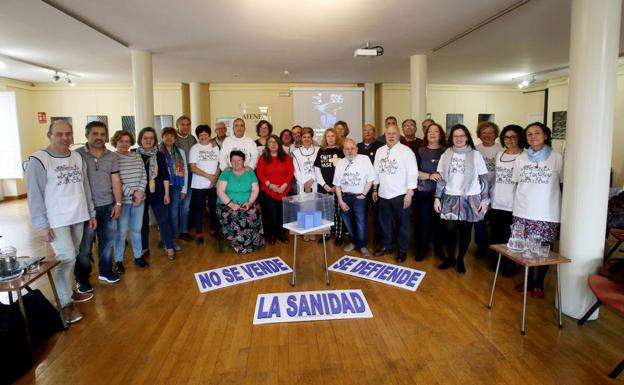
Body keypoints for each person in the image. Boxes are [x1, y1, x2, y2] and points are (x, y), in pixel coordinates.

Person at [26, 119, 96, 324]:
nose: (65, 138)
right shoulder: (39, 160)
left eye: (68, 134)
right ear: (50, 136)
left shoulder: (76, 157)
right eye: (59, 134)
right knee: (66, 259)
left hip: (79, 215)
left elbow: (85, 187)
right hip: (57, 219)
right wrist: (41, 225)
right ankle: (64, 303)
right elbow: (34, 195)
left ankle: (68, 292)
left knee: (73, 256)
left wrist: (91, 213)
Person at [512, 122, 563, 298]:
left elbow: (563, 184)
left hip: (546, 211)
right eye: (529, 134)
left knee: (543, 251)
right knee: (526, 249)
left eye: (537, 133)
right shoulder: (521, 158)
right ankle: (528, 280)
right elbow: (517, 182)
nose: (533, 137)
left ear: (546, 135)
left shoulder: (556, 157)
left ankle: (539, 281)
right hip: (523, 210)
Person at [434, 124, 489, 273]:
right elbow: (441, 178)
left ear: (467, 137)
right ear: (451, 138)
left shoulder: (475, 155)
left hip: (470, 197)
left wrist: (485, 200)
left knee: (465, 231)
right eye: (455, 136)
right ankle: (451, 258)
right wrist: (437, 197)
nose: (458, 139)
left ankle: (460, 259)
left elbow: (484, 178)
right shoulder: (446, 154)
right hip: (450, 197)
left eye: (462, 135)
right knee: (450, 230)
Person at [75, 121, 122, 293]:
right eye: (95, 134)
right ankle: (82, 279)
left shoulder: (112, 156)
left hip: (108, 205)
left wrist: (118, 203)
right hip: (85, 209)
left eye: (102, 134)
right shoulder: (76, 155)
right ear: (87, 135)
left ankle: (105, 271)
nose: (99, 137)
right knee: (85, 248)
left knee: (108, 242)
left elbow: (115, 180)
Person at [372, 124, 418, 262]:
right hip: (383, 194)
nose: (391, 136)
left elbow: (412, 173)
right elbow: (376, 172)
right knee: (385, 223)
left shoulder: (407, 151)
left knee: (402, 224)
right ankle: (387, 246)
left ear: (399, 135)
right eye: (388, 133)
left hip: (401, 195)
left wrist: (409, 194)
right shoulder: (380, 151)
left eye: (394, 133)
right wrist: (375, 189)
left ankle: (402, 250)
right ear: (385, 135)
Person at [136, 127, 177, 260]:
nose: (148, 140)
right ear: (140, 139)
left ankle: (169, 246)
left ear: (155, 140)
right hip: (140, 192)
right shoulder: (134, 154)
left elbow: (165, 176)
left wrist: (166, 194)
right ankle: (144, 247)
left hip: (158, 192)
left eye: (151, 138)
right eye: (145, 138)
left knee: (163, 220)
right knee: (143, 222)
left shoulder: (159, 155)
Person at [490, 124, 525, 277]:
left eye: (513, 137)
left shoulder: (524, 156)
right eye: (506, 137)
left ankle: (511, 264)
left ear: (519, 138)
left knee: (511, 236)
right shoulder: (499, 155)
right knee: (496, 234)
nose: (509, 140)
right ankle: (497, 261)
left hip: (514, 204)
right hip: (497, 201)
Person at [112, 130, 148, 274]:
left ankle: (138, 256)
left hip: (139, 200)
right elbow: (115, 181)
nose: (124, 144)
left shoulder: (137, 156)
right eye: (121, 141)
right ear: (116, 142)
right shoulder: (112, 158)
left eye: (127, 141)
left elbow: (143, 175)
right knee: (121, 232)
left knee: (136, 229)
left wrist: (139, 194)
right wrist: (133, 193)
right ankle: (119, 260)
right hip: (123, 201)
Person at [334, 138, 377, 257]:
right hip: (345, 196)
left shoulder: (365, 159)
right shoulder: (340, 163)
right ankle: (353, 242)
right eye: (347, 149)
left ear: (357, 149)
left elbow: (371, 179)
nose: (350, 151)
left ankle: (362, 245)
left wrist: (364, 194)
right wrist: (340, 201)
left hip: (359, 197)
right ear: (343, 150)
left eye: (352, 148)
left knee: (360, 222)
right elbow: (337, 185)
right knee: (348, 221)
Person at [216, 151, 264, 253]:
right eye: (233, 160)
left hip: (247, 203)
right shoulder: (226, 173)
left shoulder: (250, 172)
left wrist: (250, 202)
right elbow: (220, 191)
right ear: (230, 162)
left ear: (243, 161)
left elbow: (255, 190)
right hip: (226, 205)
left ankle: (253, 243)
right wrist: (232, 204)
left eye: (239, 160)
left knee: (253, 215)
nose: (236, 163)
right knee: (235, 218)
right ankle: (240, 245)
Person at [415, 123, 446, 262]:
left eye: (436, 131)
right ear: (426, 135)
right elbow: (413, 172)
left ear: (441, 135)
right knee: (424, 223)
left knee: (440, 224)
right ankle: (422, 249)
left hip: (443, 195)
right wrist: (429, 175)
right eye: (429, 132)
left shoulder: (447, 151)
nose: (432, 134)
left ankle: (439, 249)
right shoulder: (420, 151)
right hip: (424, 193)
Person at [256, 134, 294, 244]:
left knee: (283, 214)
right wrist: (270, 185)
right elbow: (260, 173)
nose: (273, 144)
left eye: (275, 142)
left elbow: (290, 173)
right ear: (267, 144)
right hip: (268, 190)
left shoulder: (286, 157)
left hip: (284, 189)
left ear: (279, 144)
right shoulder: (263, 158)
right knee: (272, 214)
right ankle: (272, 234)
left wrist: (284, 186)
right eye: (271, 142)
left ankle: (281, 234)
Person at [474, 121, 503, 259]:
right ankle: (481, 247)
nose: (487, 135)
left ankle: (495, 250)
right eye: (484, 132)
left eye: (490, 132)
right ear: (479, 134)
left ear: (496, 134)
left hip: (497, 191)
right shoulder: (474, 149)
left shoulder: (501, 149)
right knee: (479, 221)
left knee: (495, 224)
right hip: (479, 192)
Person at [189, 124, 221, 245]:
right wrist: (209, 176)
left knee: (214, 208)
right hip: (199, 185)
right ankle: (199, 234)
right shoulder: (194, 148)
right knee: (199, 210)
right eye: (200, 135)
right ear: (198, 136)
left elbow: (219, 163)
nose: (203, 137)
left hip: (213, 184)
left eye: (205, 135)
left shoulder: (215, 147)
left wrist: (215, 177)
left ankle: (214, 230)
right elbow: (193, 167)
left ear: (209, 135)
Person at [314, 128, 345, 245]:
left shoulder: (340, 151)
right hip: (324, 188)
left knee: (338, 212)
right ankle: (326, 233)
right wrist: (324, 184)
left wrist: (336, 186)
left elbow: (343, 170)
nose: (330, 138)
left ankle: (338, 235)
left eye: (332, 136)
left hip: (337, 188)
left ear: (336, 137)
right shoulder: (321, 151)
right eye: (328, 136)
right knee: (326, 212)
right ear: (325, 138)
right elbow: (317, 169)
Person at [160, 127, 187, 248]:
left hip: (176, 187)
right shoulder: (158, 151)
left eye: (171, 136)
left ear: (175, 138)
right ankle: (164, 239)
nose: (169, 138)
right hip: (161, 188)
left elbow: (185, 169)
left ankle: (172, 239)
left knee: (174, 214)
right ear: (162, 137)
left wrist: (184, 189)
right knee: (163, 215)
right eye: (166, 135)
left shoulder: (180, 152)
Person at [174, 116, 197, 242]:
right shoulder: (173, 138)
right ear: (177, 125)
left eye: (188, 124)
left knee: (186, 206)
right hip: (178, 177)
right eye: (182, 124)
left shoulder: (192, 138)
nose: (185, 127)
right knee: (174, 206)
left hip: (191, 176)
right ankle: (172, 232)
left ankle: (183, 231)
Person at [292, 127, 319, 194]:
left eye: (308, 137)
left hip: (316, 181)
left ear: (312, 138)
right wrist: (305, 183)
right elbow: (296, 171)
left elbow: (319, 168)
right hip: (302, 184)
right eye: (304, 137)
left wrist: (311, 180)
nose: (306, 139)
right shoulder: (296, 153)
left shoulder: (318, 150)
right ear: (301, 138)